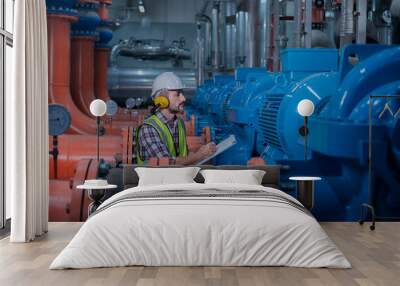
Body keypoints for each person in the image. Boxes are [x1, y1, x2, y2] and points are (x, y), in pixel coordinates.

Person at [136, 72, 216, 165]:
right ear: (162, 100)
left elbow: (181, 155)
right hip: (157, 179)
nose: (183, 99)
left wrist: (201, 153)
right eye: (177, 94)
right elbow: (167, 164)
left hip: (176, 178)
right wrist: (199, 155)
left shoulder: (179, 123)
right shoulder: (149, 128)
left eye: (182, 94)